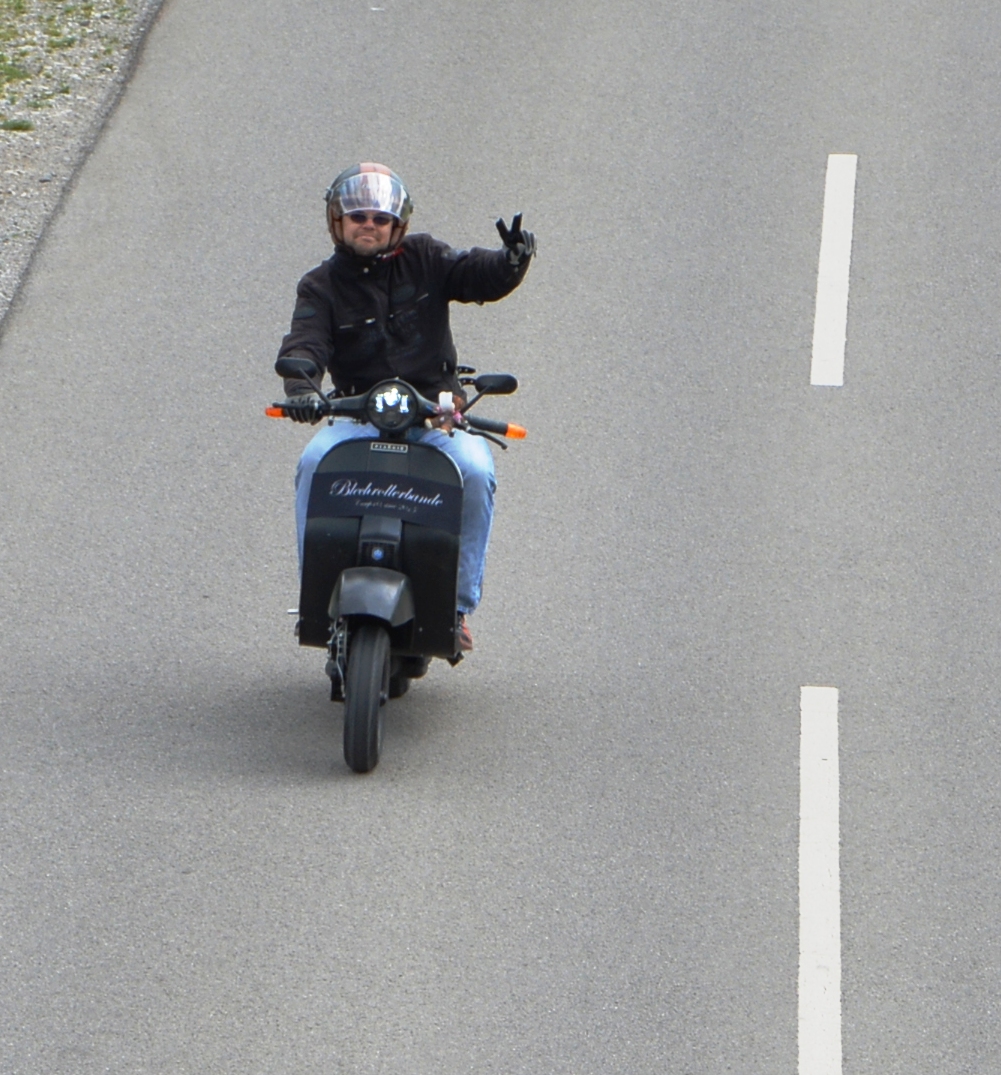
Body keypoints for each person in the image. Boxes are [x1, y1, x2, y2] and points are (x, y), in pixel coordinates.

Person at [275, 162, 535, 651]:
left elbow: (473, 273)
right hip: (357, 415)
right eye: (358, 217)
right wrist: (302, 390)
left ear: (398, 225)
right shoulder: (320, 286)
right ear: (337, 222)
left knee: (476, 470)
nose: (368, 225)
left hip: (437, 416)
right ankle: (316, 598)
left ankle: (456, 607)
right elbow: (304, 344)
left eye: (380, 218)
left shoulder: (426, 257)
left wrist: (509, 262)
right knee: (313, 463)